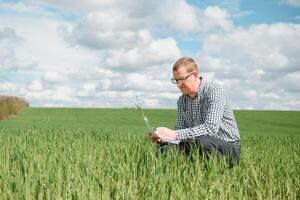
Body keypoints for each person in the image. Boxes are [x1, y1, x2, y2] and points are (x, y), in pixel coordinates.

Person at [148, 57, 241, 167]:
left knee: (203, 142)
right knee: (166, 148)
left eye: (182, 79)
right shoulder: (182, 100)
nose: (178, 84)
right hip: (196, 144)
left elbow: (210, 129)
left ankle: (216, 177)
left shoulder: (213, 91)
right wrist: (162, 138)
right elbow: (180, 132)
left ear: (195, 75)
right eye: (176, 80)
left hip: (228, 147)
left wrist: (174, 134)